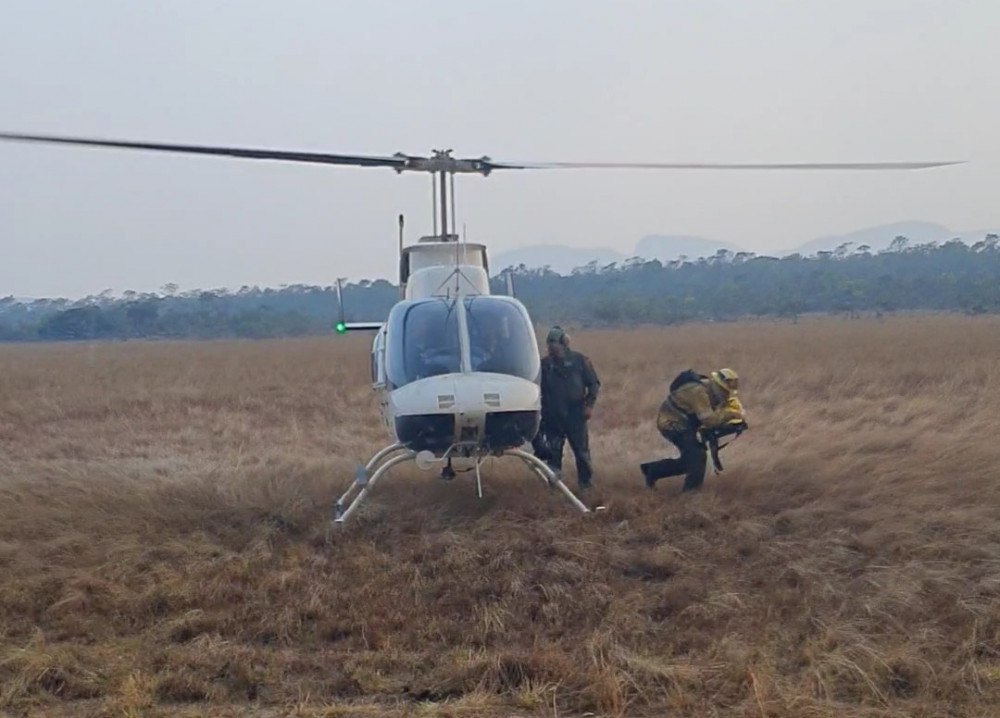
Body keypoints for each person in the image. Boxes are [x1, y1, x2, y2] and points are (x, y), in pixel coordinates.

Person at [640, 368, 748, 492]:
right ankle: (690, 496)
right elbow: (709, 420)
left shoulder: (709, 390)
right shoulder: (698, 392)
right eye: (724, 391)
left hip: (684, 424)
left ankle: (652, 470)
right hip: (671, 424)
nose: (725, 395)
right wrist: (731, 415)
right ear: (717, 385)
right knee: (697, 457)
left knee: (691, 460)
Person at [532, 326, 600, 490]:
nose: (550, 347)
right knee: (553, 455)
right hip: (553, 417)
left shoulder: (581, 360)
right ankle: (555, 488)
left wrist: (589, 405)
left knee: (582, 454)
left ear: (564, 343)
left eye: (553, 343)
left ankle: (586, 486)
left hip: (576, 415)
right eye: (548, 344)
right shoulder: (544, 365)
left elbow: (594, 384)